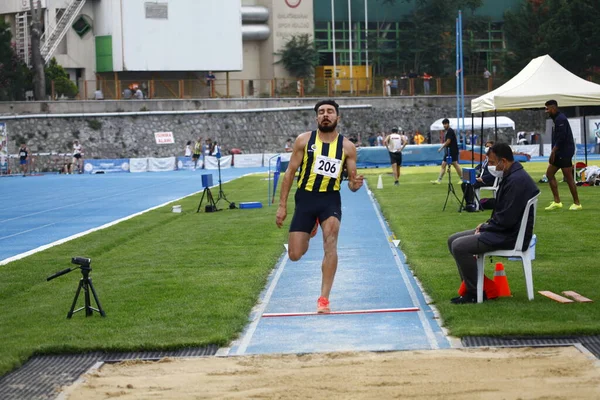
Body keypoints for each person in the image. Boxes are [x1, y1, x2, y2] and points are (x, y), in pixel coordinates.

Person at [275, 99, 364, 314]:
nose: (326, 115)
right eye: (322, 112)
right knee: (295, 254)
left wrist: (355, 184)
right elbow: (290, 174)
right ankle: (311, 226)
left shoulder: (347, 147)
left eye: (330, 111)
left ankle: (324, 298)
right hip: (305, 198)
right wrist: (282, 206)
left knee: (331, 242)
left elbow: (351, 184)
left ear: (337, 117)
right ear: (316, 117)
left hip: (330, 199)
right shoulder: (304, 141)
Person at [447, 143, 539, 304]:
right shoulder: (511, 175)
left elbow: (507, 220)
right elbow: (504, 213)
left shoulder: (516, 181)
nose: (490, 167)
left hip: (508, 235)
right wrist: (487, 223)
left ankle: (475, 292)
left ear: (503, 161)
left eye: (491, 162)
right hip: (502, 231)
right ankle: (475, 286)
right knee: (452, 240)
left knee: (459, 246)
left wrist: (485, 227)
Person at [543, 100, 582, 211]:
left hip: (564, 152)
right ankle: (557, 202)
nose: (546, 111)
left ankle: (577, 203)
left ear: (553, 108)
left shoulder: (561, 119)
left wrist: (553, 151)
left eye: (548, 109)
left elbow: (562, 138)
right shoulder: (556, 119)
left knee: (568, 177)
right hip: (560, 152)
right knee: (549, 174)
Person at [431, 118, 462, 184]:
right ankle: (439, 180)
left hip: (452, 151)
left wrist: (441, 147)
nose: (444, 126)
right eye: (443, 124)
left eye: (445, 124)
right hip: (448, 151)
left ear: (448, 124)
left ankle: (463, 179)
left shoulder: (450, 131)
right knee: (443, 164)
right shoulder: (448, 131)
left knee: (455, 164)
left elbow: (448, 141)